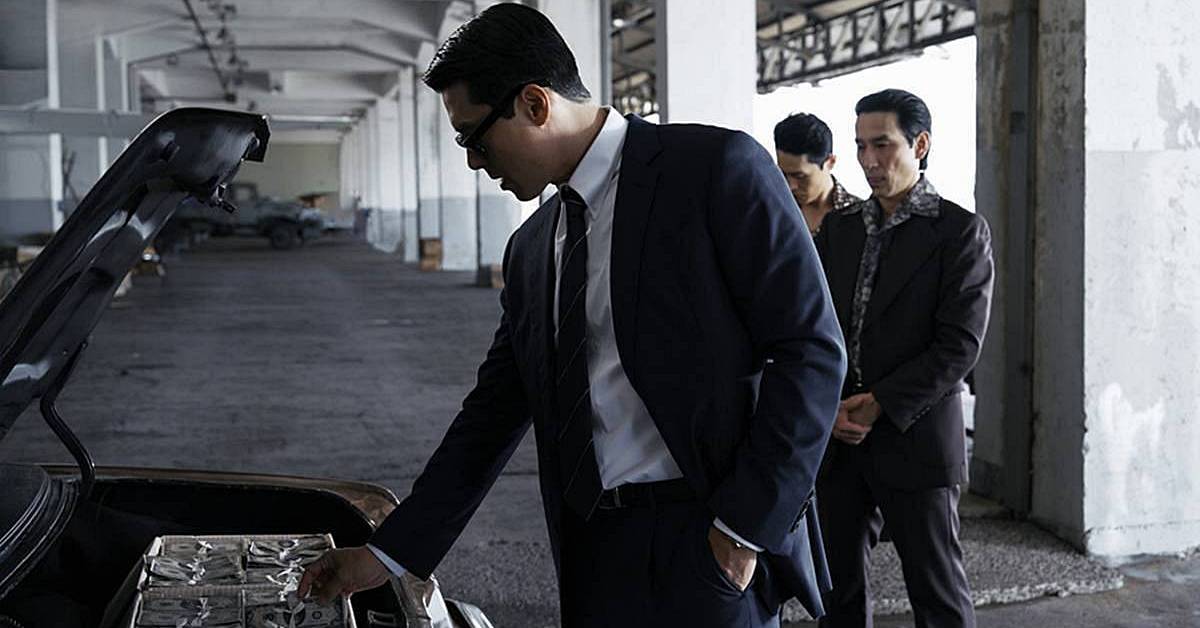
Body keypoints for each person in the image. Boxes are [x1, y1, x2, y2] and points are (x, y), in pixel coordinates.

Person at [298, 4, 846, 627]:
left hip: (706, 543)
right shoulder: (532, 248)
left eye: (475, 137)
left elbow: (809, 349)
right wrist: (388, 554)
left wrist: (742, 531)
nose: (474, 161)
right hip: (591, 552)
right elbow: (492, 415)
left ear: (534, 104)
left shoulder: (713, 170)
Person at [812, 89, 993, 628]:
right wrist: (832, 407)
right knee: (836, 597)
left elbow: (959, 345)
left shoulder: (959, 232)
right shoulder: (839, 229)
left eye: (883, 145)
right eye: (860, 146)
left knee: (938, 597)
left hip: (915, 437)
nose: (869, 160)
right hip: (840, 439)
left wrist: (881, 403)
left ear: (920, 144)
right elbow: (818, 328)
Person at [774, 113, 860, 235]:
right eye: (783, 174)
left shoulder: (859, 215)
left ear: (830, 162)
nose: (790, 186)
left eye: (800, 176)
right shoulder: (776, 208)